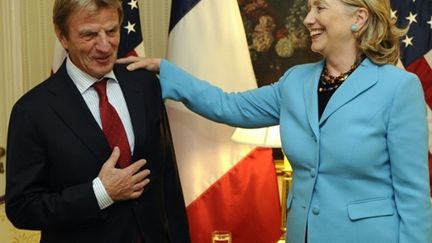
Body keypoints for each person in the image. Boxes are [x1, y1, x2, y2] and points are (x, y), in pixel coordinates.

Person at [117, 0, 432, 242]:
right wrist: (167, 71)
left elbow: (413, 196)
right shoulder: (296, 81)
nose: (308, 19)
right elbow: (229, 106)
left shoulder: (398, 88)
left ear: (358, 18)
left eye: (319, 7)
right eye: (308, 8)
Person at [5, 0, 190, 243]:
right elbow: (22, 208)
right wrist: (100, 194)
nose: (105, 46)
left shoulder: (144, 85)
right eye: (89, 35)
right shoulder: (32, 111)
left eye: (112, 31)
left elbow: (168, 185)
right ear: (62, 36)